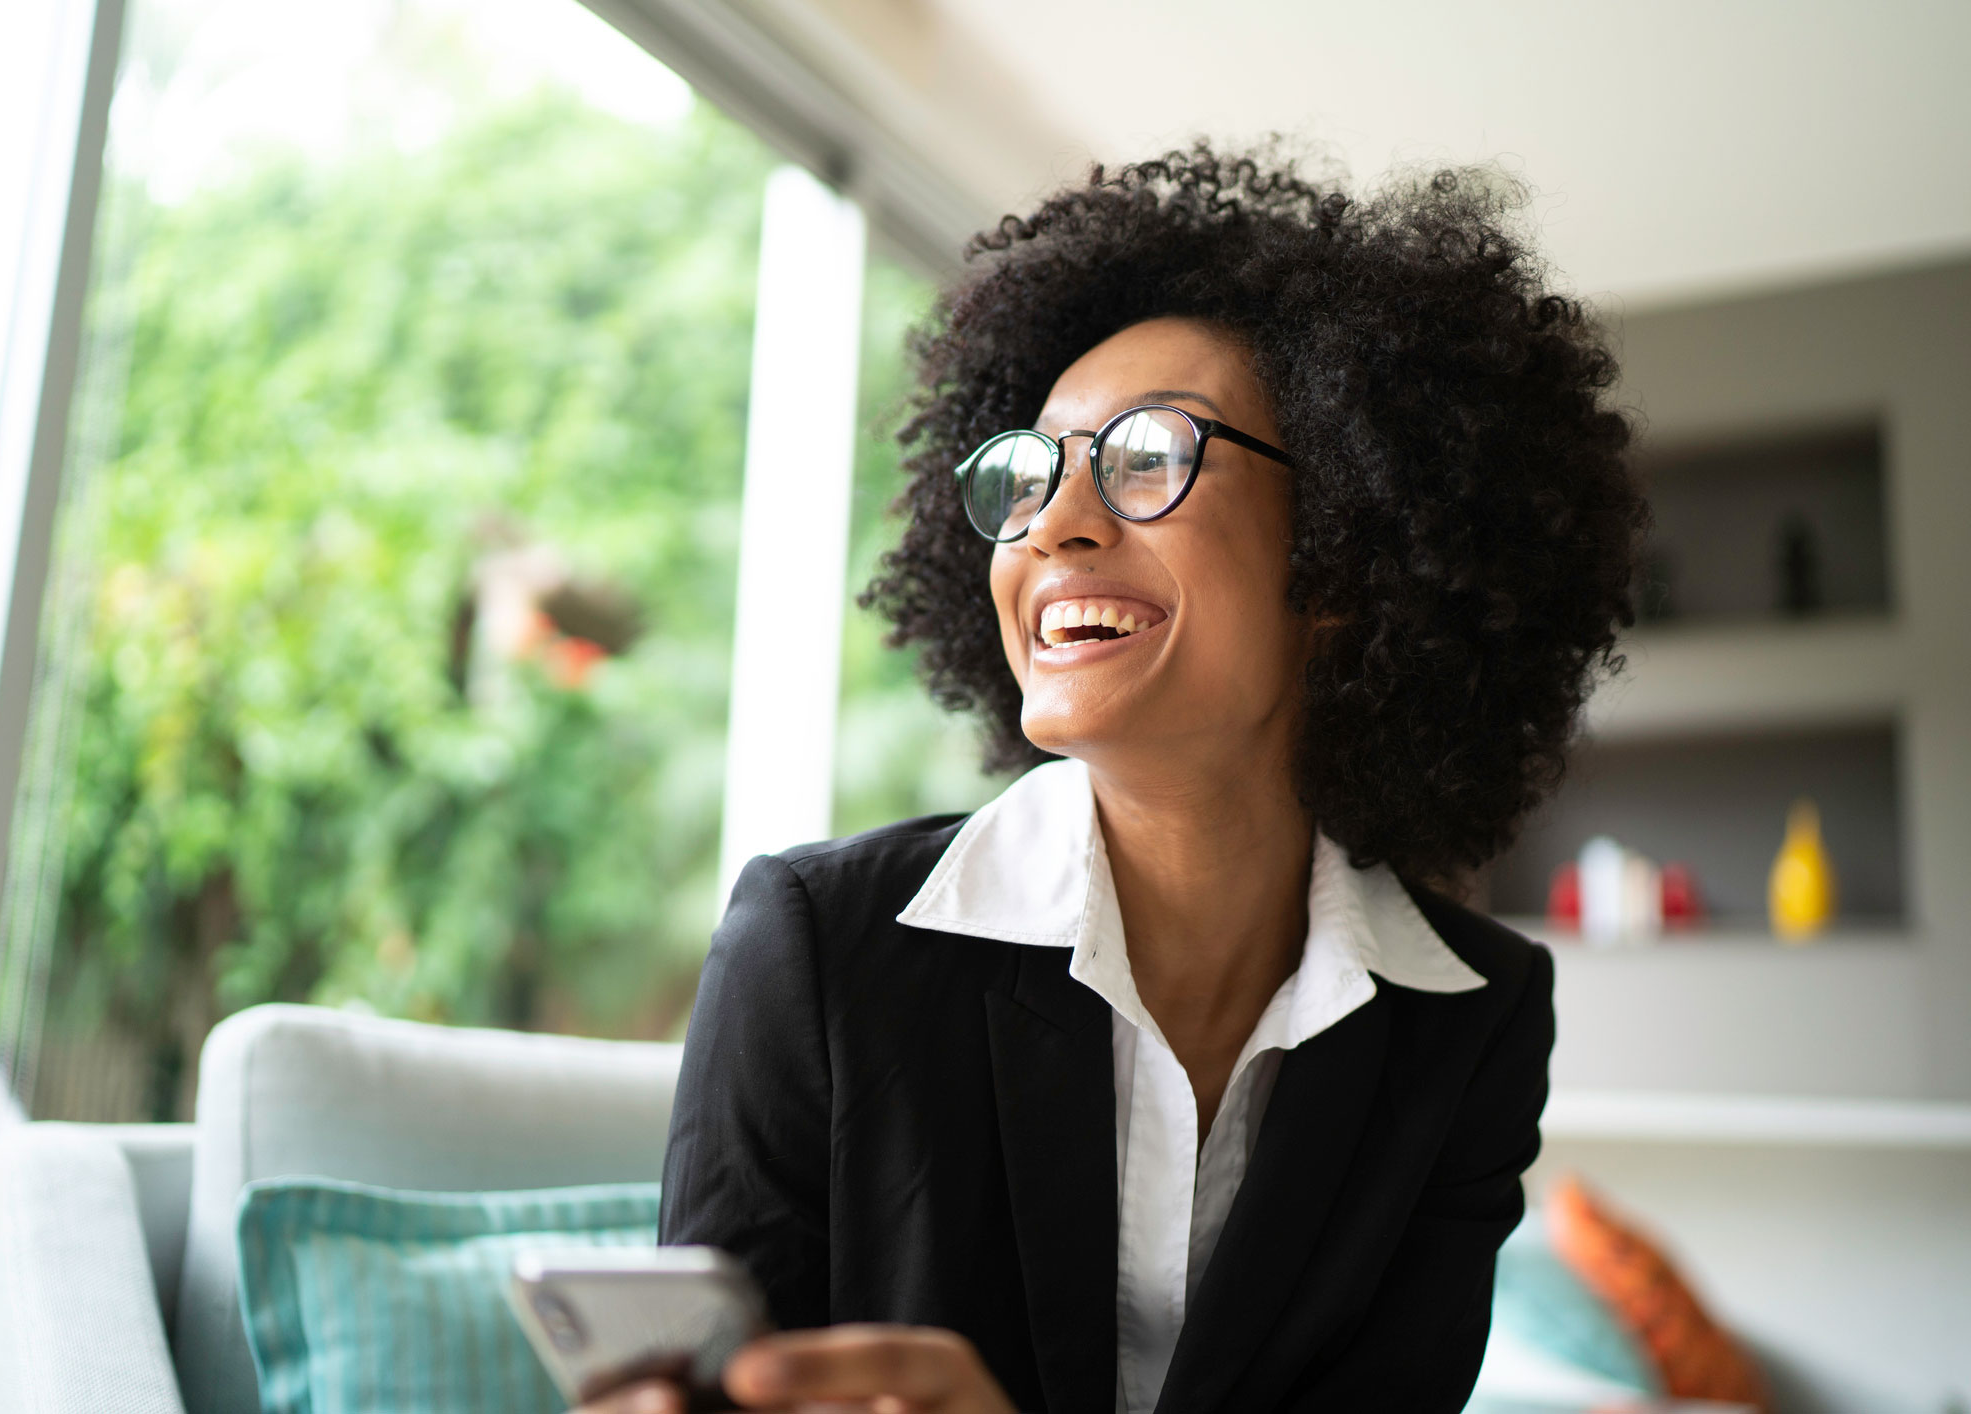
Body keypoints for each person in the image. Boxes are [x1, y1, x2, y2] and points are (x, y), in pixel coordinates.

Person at [583, 146, 1641, 1414]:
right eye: (1026, 472)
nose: (1052, 522)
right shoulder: (811, 950)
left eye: (1146, 457)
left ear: (1347, 560)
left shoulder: (1472, 1019)